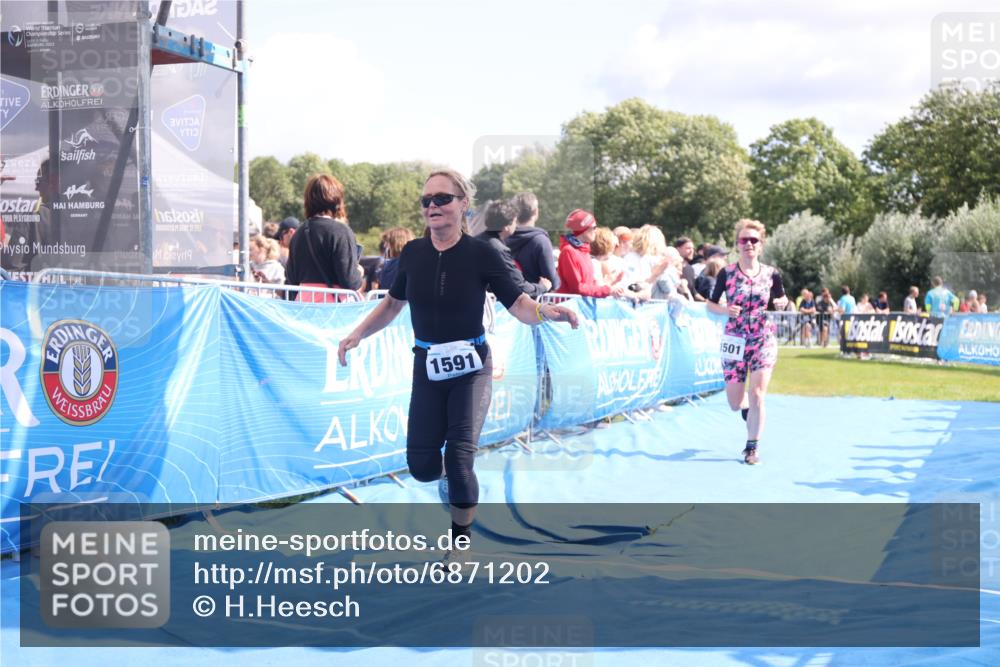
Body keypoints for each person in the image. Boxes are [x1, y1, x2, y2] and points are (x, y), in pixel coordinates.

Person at [337, 170, 579, 561]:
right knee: (421, 464)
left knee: (460, 455)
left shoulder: (483, 253)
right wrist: (357, 333)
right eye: (426, 200)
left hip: (472, 365)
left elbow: (518, 305)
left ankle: (460, 542)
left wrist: (546, 311)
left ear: (463, 204)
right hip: (427, 365)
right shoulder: (413, 254)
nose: (432, 206)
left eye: (442, 198)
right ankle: (447, 480)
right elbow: (393, 304)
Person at [706, 219, 787, 465]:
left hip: (763, 338)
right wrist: (726, 310)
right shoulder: (727, 273)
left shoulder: (772, 274)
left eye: (754, 240)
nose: (749, 244)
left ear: (761, 245)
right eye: (744, 240)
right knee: (734, 402)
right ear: (737, 245)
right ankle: (746, 411)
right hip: (735, 339)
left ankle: (752, 447)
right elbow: (711, 304)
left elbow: (780, 301)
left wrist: (784, 303)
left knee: (758, 394)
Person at [285, 175, 363, 302]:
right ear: (337, 200)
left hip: (304, 305)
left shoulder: (299, 233)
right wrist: (359, 272)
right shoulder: (341, 231)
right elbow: (349, 281)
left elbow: (291, 278)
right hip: (333, 309)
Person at [475, 200, 550, 297]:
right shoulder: (498, 249)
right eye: (515, 221)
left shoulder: (476, 240)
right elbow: (519, 286)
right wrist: (542, 287)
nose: (516, 225)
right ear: (506, 227)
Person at [557, 209, 629, 298]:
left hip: (581, 306)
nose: (596, 230)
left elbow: (589, 283)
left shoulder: (584, 251)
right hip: (570, 307)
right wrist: (607, 290)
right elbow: (577, 288)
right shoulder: (568, 251)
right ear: (584, 230)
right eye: (594, 227)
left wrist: (608, 283)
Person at [505, 192, 559, 291]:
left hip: (504, 301)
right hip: (535, 302)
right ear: (536, 212)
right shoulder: (541, 241)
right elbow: (552, 282)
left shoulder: (501, 238)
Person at [377, 227, 415, 292]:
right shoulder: (416, 261)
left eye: (387, 242)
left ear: (395, 244)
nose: (385, 246)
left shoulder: (393, 265)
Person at [674, 236, 705, 301]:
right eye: (688, 248)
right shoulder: (672, 268)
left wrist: (706, 302)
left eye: (693, 248)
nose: (692, 251)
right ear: (678, 249)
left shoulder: (690, 268)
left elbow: (693, 292)